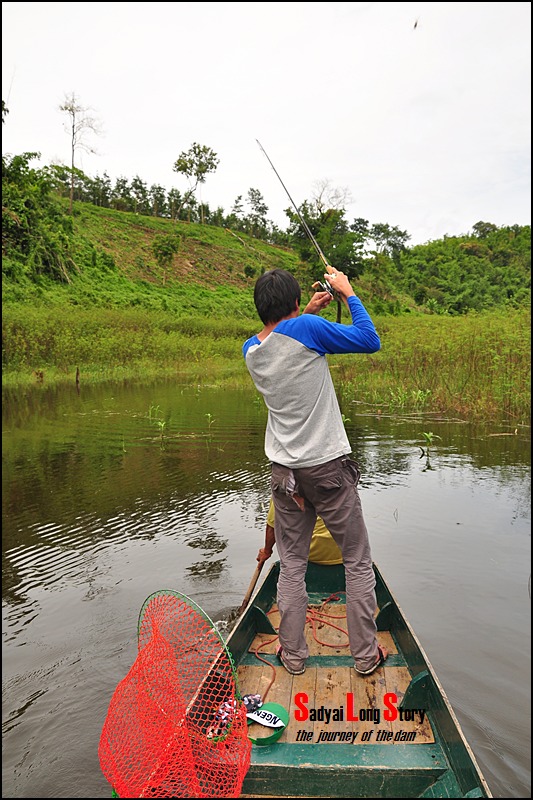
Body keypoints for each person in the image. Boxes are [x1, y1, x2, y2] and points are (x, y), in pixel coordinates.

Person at [242, 266, 387, 677]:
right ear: (291, 305)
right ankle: (364, 657)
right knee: (357, 561)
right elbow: (370, 341)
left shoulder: (251, 349)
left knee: (291, 566)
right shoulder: (306, 328)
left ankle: (292, 657)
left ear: (261, 308)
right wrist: (348, 293)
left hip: (285, 475)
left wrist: (306, 310)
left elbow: (283, 341)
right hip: (327, 469)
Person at [257, 498, 343, 566]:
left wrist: (267, 551)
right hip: (345, 548)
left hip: (311, 551)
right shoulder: (341, 479)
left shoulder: (284, 485)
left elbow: (273, 525)